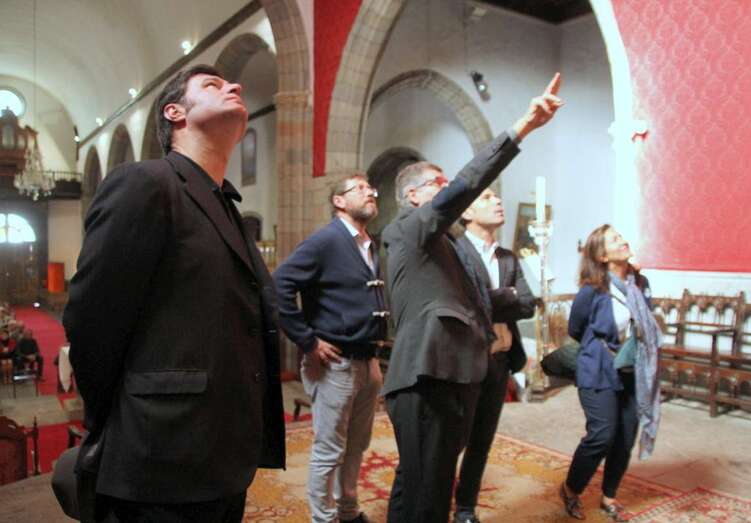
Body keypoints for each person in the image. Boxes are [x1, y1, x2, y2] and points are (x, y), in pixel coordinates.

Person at [63, 64, 285, 522]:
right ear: (174, 112)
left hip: (222, 455)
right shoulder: (146, 183)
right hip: (161, 454)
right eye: (213, 85)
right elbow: (92, 319)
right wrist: (125, 414)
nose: (235, 87)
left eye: (231, 83)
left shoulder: (226, 206)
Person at [382, 73, 563, 523]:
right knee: (428, 497)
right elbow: (466, 184)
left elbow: (485, 298)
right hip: (427, 374)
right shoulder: (409, 229)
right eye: (437, 183)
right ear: (413, 196)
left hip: (455, 373)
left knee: (423, 484)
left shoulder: (453, 245)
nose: (449, 190)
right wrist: (521, 127)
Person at [274, 174, 387, 523]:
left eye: (371, 189)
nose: (370, 193)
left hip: (367, 359)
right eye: (360, 189)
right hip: (335, 362)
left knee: (356, 445)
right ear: (339, 201)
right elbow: (279, 285)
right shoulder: (326, 240)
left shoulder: (368, 243)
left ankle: (348, 512)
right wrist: (307, 339)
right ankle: (323, 519)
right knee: (329, 449)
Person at [560, 224, 661, 522]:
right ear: (602, 256)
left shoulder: (639, 283)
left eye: (621, 236)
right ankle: (570, 489)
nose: (623, 241)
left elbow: (648, 317)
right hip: (597, 368)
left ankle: (609, 496)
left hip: (632, 368)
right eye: (615, 240)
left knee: (625, 437)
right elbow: (575, 328)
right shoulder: (592, 290)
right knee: (602, 435)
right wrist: (603, 349)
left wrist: (637, 279)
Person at [452, 188, 537, 523]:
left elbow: (529, 304)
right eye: (487, 198)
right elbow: (463, 304)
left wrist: (491, 297)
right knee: (452, 440)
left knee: (482, 440)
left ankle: (465, 507)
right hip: (464, 362)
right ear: (468, 212)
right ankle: (431, 498)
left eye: (497, 197)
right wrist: (507, 295)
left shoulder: (507, 257)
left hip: (499, 360)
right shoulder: (455, 251)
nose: (498, 201)